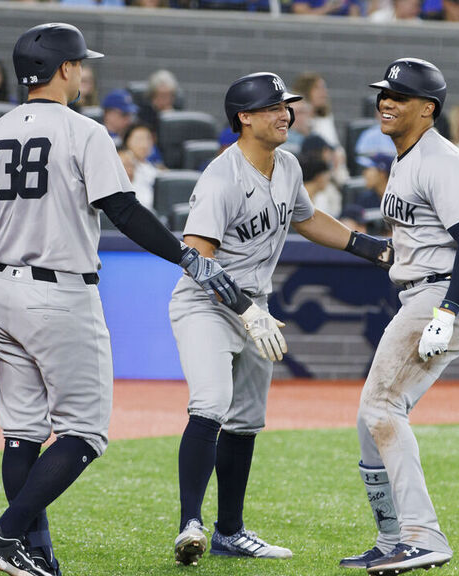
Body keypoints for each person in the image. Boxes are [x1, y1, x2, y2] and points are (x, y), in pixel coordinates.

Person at [0, 22, 261, 576]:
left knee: (23, 433)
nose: (84, 72)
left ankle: (37, 554)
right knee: (84, 433)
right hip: (59, 291)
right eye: (80, 64)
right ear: (66, 69)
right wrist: (188, 257)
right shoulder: (83, 132)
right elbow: (122, 209)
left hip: (2, 288)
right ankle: (5, 537)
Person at [169, 72, 392, 567]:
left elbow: (307, 218)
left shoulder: (287, 164)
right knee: (210, 404)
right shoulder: (220, 177)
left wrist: (372, 249)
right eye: (272, 107)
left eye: (286, 105)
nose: (284, 114)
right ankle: (190, 523)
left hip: (256, 306)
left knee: (246, 421)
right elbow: (198, 260)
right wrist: (246, 311)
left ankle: (231, 531)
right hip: (206, 304)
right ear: (243, 118)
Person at [340, 58, 459, 576]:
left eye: (399, 96)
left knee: (382, 406)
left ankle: (422, 535)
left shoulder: (441, 160)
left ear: (428, 108)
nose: (386, 103)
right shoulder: (406, 155)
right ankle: (394, 537)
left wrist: (449, 309)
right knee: (370, 419)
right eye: (383, 95)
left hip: (441, 295)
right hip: (424, 290)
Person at [123, 122, 159, 207]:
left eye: (148, 139)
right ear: (128, 141)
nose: (144, 144)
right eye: (139, 139)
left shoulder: (151, 167)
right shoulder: (123, 161)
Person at [137, 69, 179, 134]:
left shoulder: (177, 113)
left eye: (169, 95)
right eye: (162, 95)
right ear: (152, 96)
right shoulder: (144, 113)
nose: (165, 100)